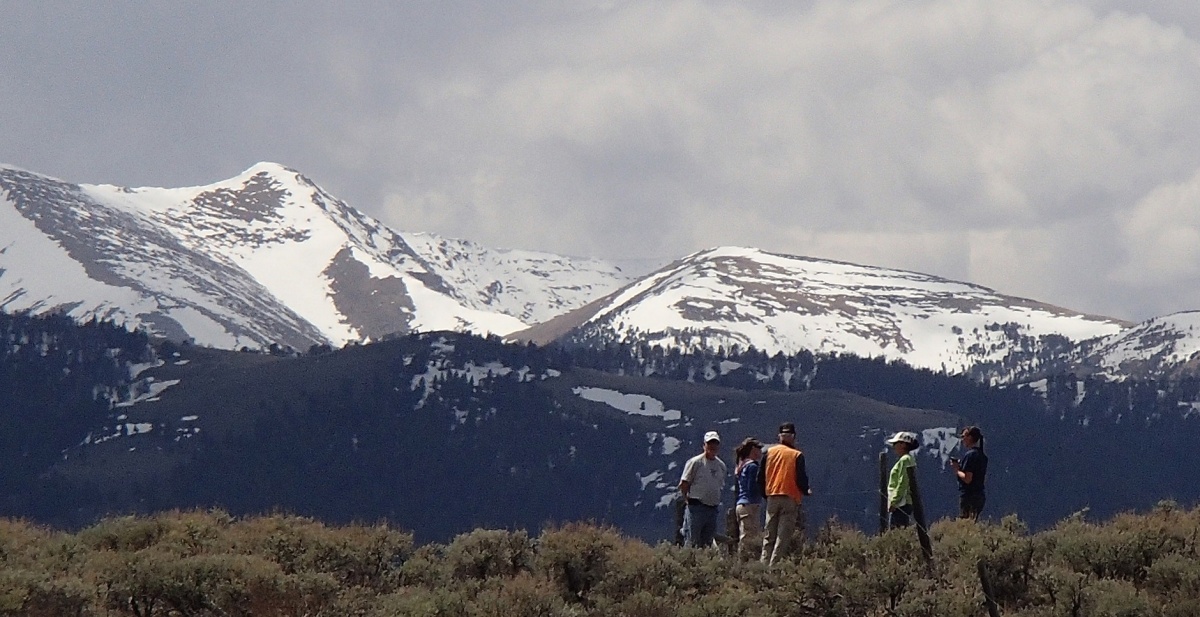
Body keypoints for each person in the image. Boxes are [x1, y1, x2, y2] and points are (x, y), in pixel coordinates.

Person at [757, 422, 811, 565]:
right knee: (783, 535)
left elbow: (760, 477)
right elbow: (801, 478)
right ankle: (773, 567)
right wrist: (806, 491)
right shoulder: (796, 455)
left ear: (779, 436)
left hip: (772, 497)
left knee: (769, 534)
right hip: (790, 497)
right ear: (793, 437)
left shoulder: (769, 453)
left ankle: (763, 565)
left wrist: (766, 494)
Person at [679, 430, 727, 548]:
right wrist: (687, 499)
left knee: (708, 541)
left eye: (715, 444)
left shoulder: (721, 466)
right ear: (704, 445)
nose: (712, 447)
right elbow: (684, 483)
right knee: (692, 540)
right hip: (697, 507)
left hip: (712, 508)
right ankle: (688, 562)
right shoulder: (695, 462)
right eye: (710, 444)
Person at [733, 437, 764, 560]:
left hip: (741, 504)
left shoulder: (742, 465)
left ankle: (745, 560)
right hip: (749, 505)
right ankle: (744, 562)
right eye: (758, 449)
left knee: (746, 535)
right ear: (753, 450)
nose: (761, 452)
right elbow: (753, 486)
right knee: (748, 537)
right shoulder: (752, 467)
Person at [950, 425, 988, 520]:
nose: (962, 440)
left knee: (965, 522)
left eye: (964, 436)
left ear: (970, 437)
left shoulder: (970, 455)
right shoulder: (982, 456)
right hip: (979, 495)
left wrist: (957, 469)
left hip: (969, 496)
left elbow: (967, 479)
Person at [884, 431, 920, 529]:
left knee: (896, 531)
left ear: (903, 444)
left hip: (901, 503)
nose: (894, 447)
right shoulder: (908, 459)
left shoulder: (905, 460)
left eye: (895, 444)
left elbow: (903, 481)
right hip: (903, 502)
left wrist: (894, 501)